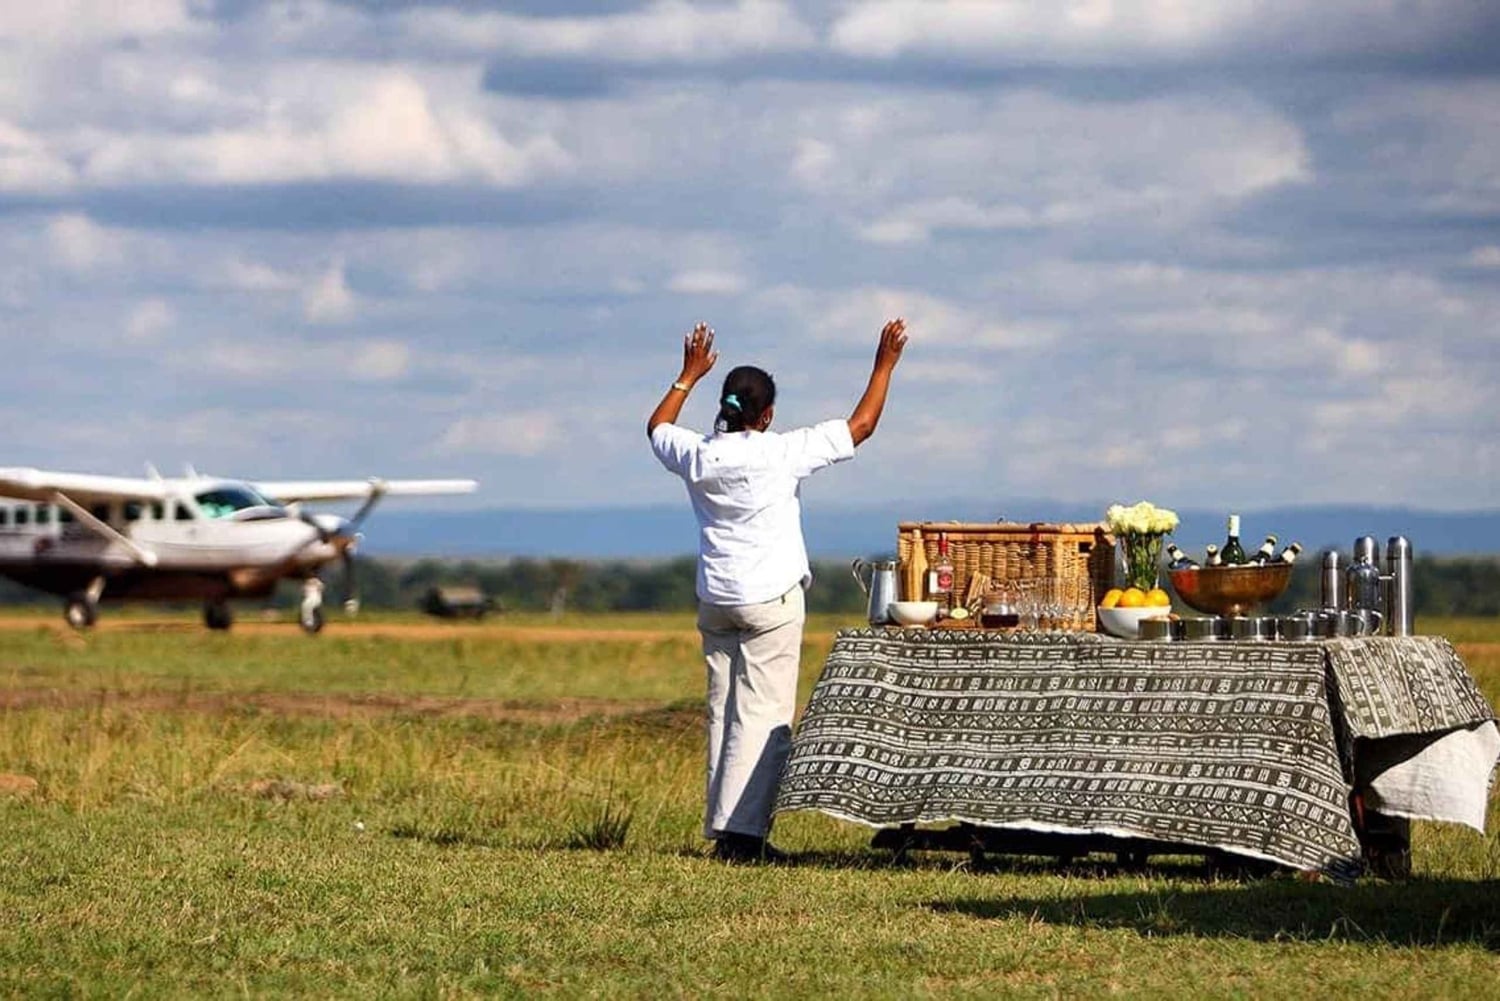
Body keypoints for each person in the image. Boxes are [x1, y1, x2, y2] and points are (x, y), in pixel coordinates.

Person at [646, 318, 908, 862]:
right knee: (763, 717)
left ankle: (725, 830)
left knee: (723, 712)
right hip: (770, 600)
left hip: (716, 599)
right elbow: (861, 426)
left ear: (724, 406)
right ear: (766, 416)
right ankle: (744, 839)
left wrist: (687, 375)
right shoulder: (781, 452)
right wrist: (884, 364)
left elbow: (658, 426)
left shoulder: (699, 454)